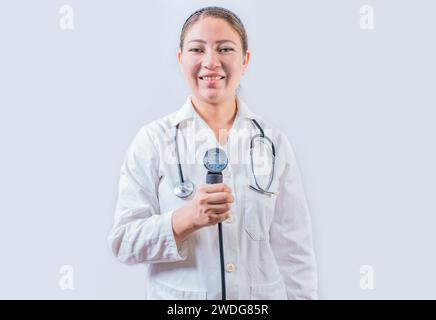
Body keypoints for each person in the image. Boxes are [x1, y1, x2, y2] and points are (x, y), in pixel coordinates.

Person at [108, 6, 317, 300]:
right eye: (197, 49)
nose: (211, 62)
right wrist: (185, 218)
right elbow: (123, 242)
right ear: (181, 59)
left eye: (225, 49)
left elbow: (295, 252)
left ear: (245, 60)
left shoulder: (272, 144)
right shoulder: (153, 141)